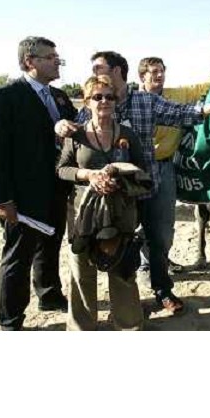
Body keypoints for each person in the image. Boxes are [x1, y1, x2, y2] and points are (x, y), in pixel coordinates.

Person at [55, 50, 210, 315]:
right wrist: (60, 126)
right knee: (115, 242)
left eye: (98, 68)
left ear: (117, 71)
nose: (95, 75)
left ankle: (162, 290)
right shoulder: (93, 103)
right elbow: (71, 139)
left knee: (159, 238)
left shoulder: (147, 101)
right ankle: (123, 303)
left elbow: (180, 113)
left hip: (149, 184)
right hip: (110, 195)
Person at [0, 36, 77, 330]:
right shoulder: (5, 96)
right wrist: (3, 199)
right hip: (20, 197)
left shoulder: (59, 97)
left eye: (57, 57)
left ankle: (48, 295)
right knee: (17, 257)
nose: (57, 62)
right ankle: (10, 320)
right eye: (51, 57)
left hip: (55, 190)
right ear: (29, 61)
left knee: (50, 246)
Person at [57, 75, 148, 330]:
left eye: (110, 96)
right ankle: (81, 328)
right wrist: (89, 175)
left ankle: (129, 324)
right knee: (81, 273)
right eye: (98, 97)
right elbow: (62, 169)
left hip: (121, 212)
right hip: (82, 214)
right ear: (87, 102)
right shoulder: (76, 135)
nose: (104, 101)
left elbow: (143, 169)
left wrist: (119, 175)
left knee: (123, 271)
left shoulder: (128, 133)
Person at [137, 56, 185, 277]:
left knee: (166, 222)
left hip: (166, 167)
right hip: (140, 169)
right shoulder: (134, 101)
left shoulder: (175, 96)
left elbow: (202, 89)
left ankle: (161, 259)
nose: (159, 75)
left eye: (162, 71)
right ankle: (146, 266)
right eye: (154, 71)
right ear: (142, 76)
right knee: (142, 221)